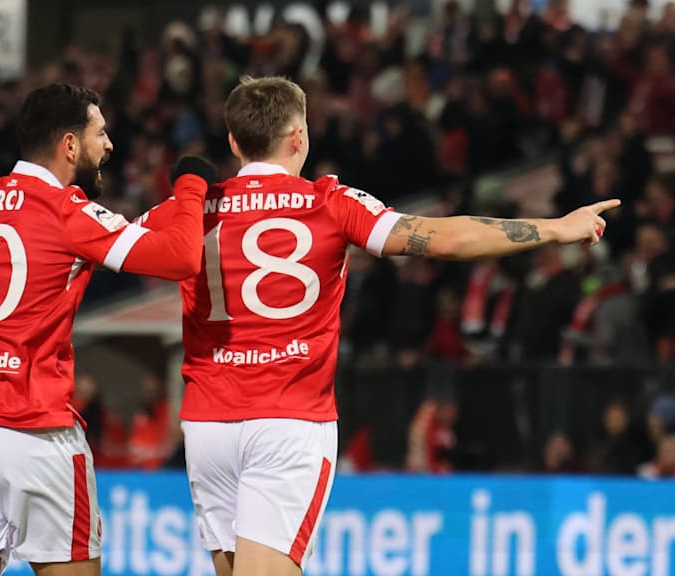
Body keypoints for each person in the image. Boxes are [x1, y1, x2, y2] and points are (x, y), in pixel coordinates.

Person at [140, 75, 619, 576]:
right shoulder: (331, 202)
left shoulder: (189, 210)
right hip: (287, 421)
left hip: (207, 425)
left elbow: (108, 243)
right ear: (299, 137)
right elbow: (446, 239)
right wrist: (556, 228)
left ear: (234, 142)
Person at [0, 83, 212, 576]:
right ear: (70, 145)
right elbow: (181, 257)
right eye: (100, 133)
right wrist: (192, 185)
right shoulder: (64, 209)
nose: (110, 145)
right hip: (33, 429)